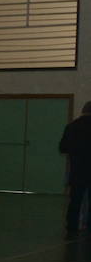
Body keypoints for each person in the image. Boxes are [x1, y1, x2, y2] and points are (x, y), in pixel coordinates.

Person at [60, 101, 91, 237]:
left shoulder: (71, 126)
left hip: (77, 169)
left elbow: (62, 148)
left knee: (75, 199)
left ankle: (71, 225)